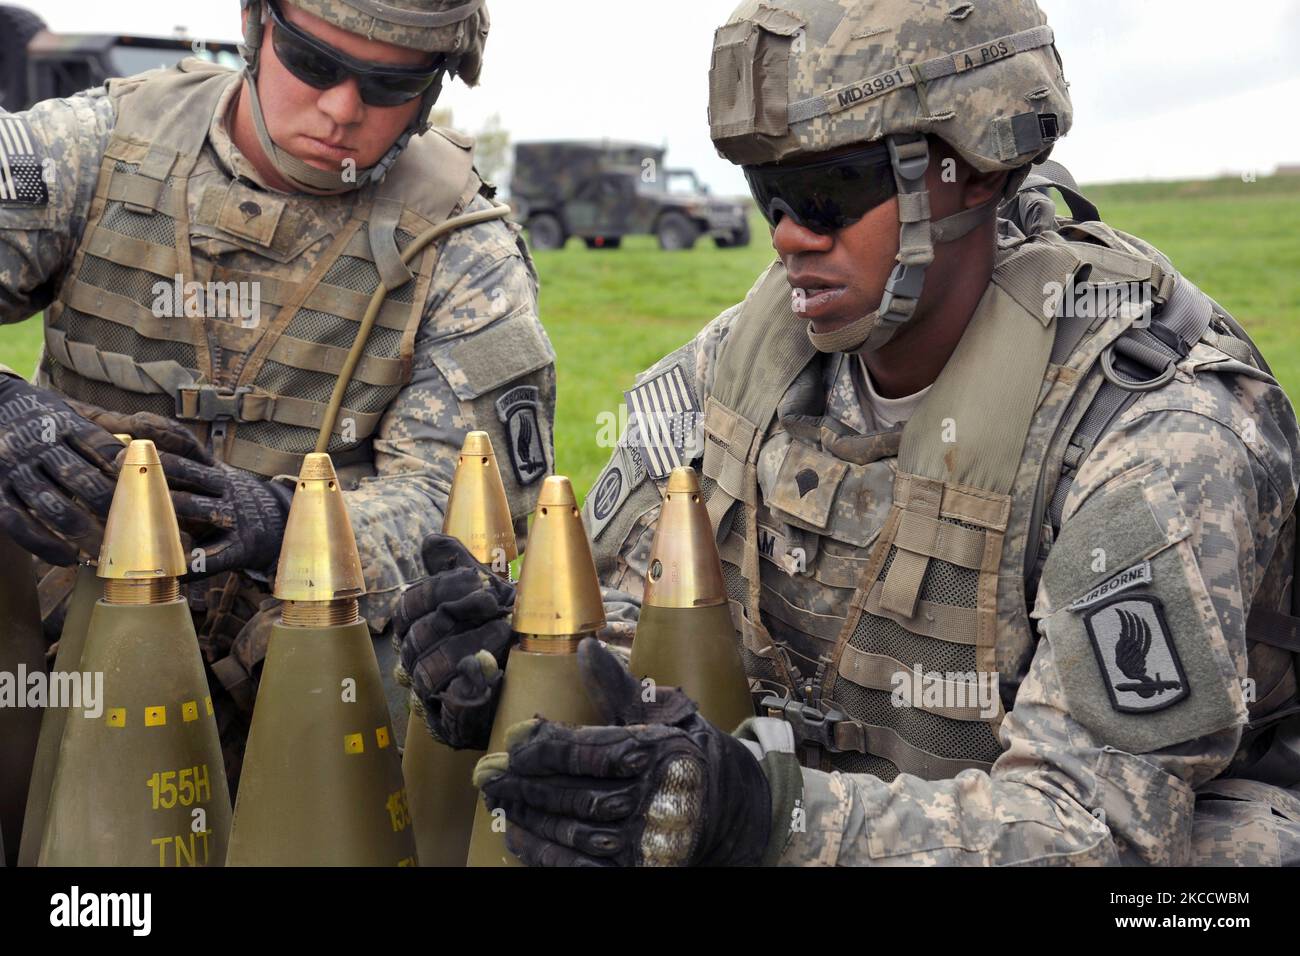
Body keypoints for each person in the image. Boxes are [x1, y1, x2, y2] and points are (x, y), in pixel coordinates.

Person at [404, 0, 1300, 865]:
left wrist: (763, 817)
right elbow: (643, 628)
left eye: (831, 191)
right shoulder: (736, 373)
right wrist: (529, 663)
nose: (790, 236)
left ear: (976, 167)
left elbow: (1095, 831)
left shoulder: (1154, 435)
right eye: (771, 194)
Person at [0, 0, 555, 786]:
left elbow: (464, 514)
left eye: (387, 85)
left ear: (432, 90)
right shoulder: (89, 145)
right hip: (60, 612)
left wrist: (286, 523)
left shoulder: (463, 246)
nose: (341, 110)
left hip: (310, 646)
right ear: (257, 29)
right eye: (316, 65)